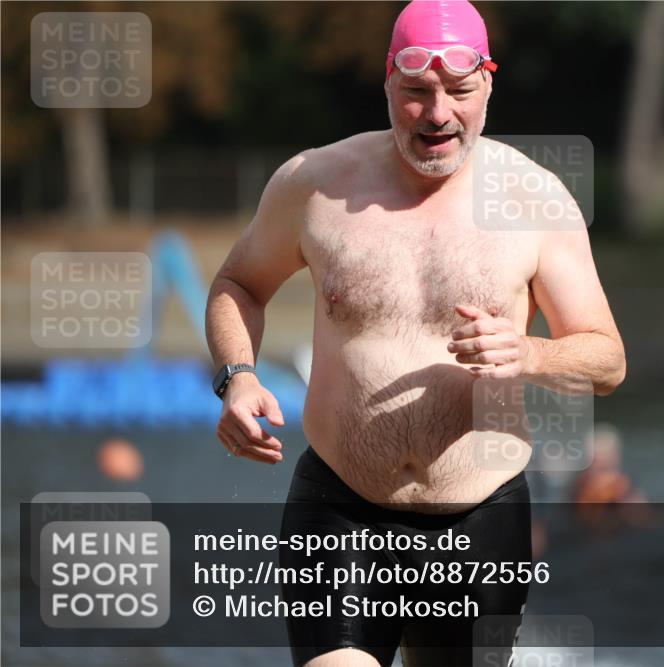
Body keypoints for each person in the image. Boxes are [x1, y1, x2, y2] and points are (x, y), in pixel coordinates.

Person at [204, 2, 626, 665]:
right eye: (416, 93)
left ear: (488, 83)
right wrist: (239, 375)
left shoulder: (537, 203)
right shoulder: (316, 185)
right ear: (386, 86)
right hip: (341, 509)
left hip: (480, 518)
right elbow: (237, 284)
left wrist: (532, 352)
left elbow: (607, 359)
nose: (437, 114)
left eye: (458, 91)